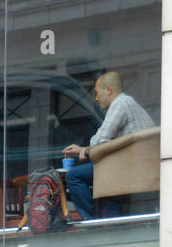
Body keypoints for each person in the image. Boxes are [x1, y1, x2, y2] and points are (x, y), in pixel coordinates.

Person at [61, 71, 155, 219]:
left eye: (97, 93)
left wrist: (86, 149)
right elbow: (109, 144)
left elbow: (100, 140)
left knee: (74, 176)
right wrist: (82, 149)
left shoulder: (120, 104)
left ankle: (90, 222)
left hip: (127, 170)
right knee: (109, 190)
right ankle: (110, 223)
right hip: (142, 169)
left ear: (109, 90)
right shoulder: (132, 105)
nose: (96, 98)